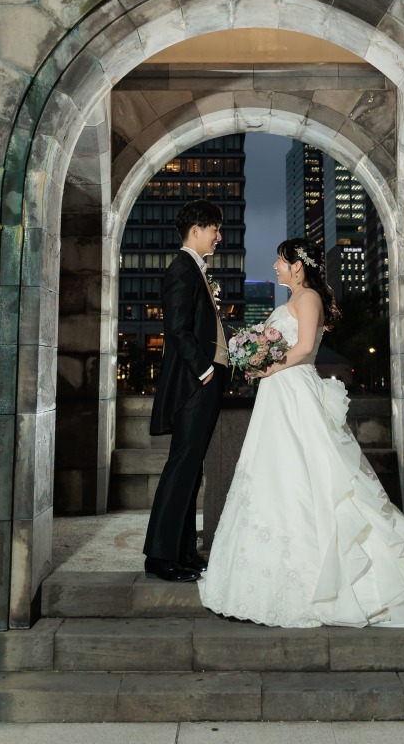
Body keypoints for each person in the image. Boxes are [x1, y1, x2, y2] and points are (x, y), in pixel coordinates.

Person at [199, 237, 404, 627]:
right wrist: (258, 357)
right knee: (272, 476)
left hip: (295, 392)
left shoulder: (308, 298)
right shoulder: (290, 300)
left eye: (280, 261)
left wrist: (269, 367)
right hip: (278, 396)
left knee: (311, 475)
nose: (276, 267)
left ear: (297, 266)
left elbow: (306, 346)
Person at [143, 199, 228, 582]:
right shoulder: (182, 269)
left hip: (203, 384)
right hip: (193, 386)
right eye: (215, 229)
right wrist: (206, 370)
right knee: (181, 470)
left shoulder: (195, 269)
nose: (219, 236)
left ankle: (184, 553)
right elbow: (177, 329)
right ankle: (160, 558)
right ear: (197, 230)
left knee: (191, 473)